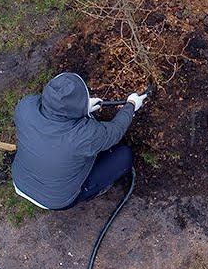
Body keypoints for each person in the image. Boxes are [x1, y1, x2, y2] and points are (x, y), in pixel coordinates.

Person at [11, 73, 148, 210]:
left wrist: (82, 108)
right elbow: (115, 132)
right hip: (55, 200)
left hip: (20, 180)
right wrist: (131, 105)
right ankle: (89, 191)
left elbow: (53, 107)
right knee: (123, 156)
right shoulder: (85, 135)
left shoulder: (25, 107)